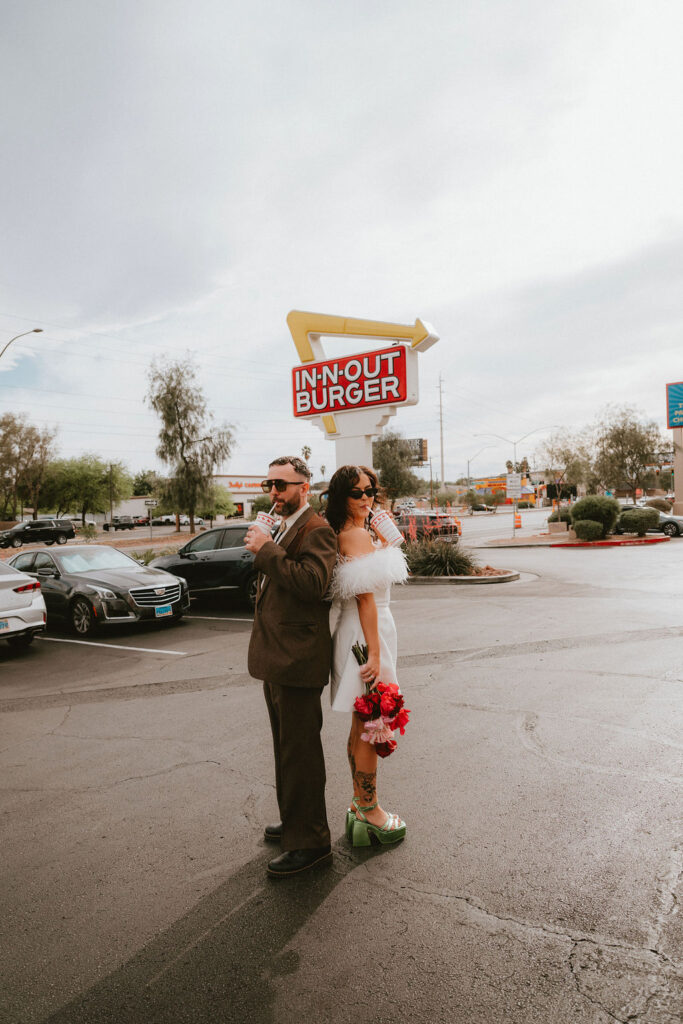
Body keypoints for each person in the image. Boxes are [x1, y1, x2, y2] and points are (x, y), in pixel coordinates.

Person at [245, 455, 337, 878]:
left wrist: (266, 551)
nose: (274, 493)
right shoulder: (284, 523)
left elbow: (312, 584)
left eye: (282, 485)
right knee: (286, 750)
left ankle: (312, 842)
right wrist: (269, 546)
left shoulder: (317, 529)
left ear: (305, 486)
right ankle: (294, 822)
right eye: (269, 485)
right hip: (278, 656)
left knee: (301, 754)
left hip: (299, 658)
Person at [326, 464, 409, 846]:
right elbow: (366, 600)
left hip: (363, 630)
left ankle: (360, 805)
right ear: (342, 496)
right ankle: (370, 811)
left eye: (371, 490)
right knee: (373, 723)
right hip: (366, 632)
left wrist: (384, 540)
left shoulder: (355, 533)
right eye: (357, 492)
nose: (366, 498)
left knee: (362, 724)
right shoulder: (355, 535)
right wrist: (375, 654)